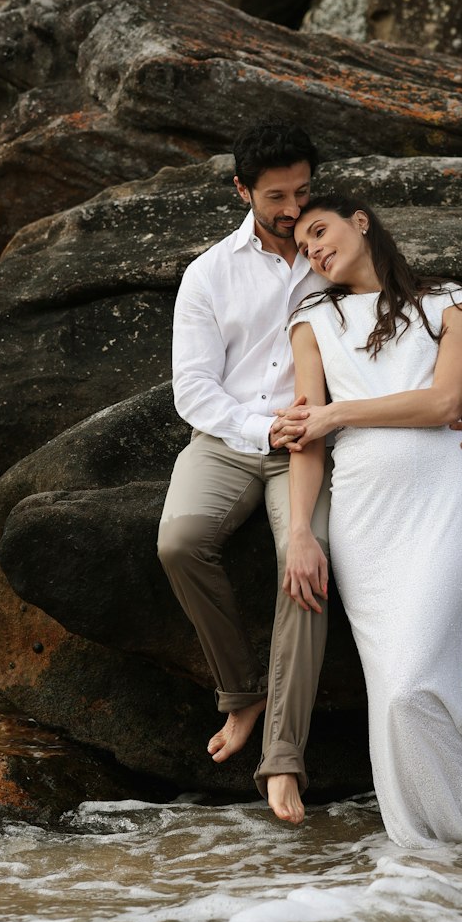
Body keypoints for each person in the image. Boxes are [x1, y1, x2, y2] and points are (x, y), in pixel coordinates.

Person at [281, 192, 462, 848]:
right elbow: (305, 433)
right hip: (363, 518)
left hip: (442, 505)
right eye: (303, 245)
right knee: (394, 690)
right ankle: (435, 848)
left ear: (362, 220)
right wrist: (302, 529)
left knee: (416, 675)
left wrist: (340, 413)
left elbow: (447, 399)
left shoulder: (450, 301)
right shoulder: (312, 319)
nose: (315, 248)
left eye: (321, 230)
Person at [156, 121, 329, 825]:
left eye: (304, 191)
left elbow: (396, 317)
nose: (294, 210)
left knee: (305, 567)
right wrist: (263, 426)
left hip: (309, 447)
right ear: (242, 190)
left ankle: (283, 757)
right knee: (178, 539)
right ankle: (241, 693)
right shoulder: (209, 273)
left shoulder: (333, 251)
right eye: (277, 196)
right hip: (228, 436)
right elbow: (192, 389)